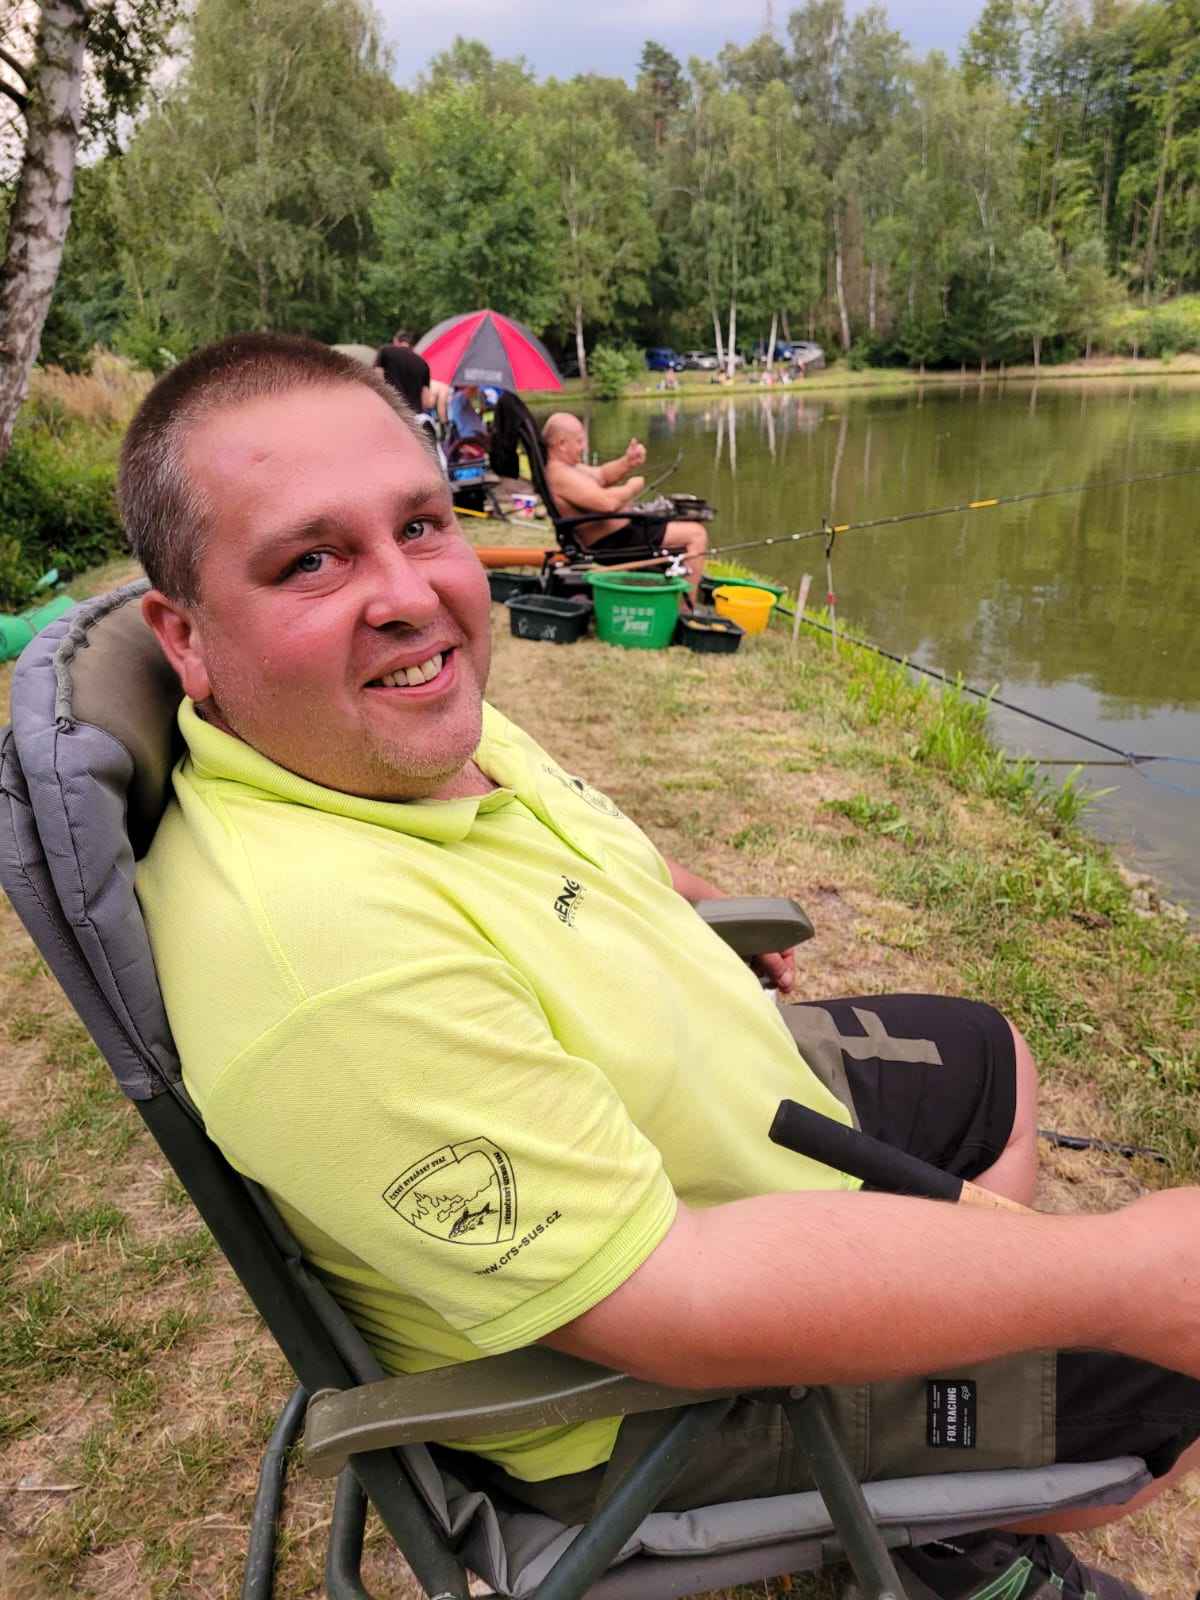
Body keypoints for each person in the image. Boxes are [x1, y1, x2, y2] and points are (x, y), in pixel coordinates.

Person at [121, 335, 1200, 1600]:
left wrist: (674, 899)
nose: (408, 594)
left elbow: (565, 825)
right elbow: (672, 1298)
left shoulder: (383, 726)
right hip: (649, 1388)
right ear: (186, 638)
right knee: (1164, 1372)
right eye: (311, 560)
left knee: (989, 1061)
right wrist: (1115, 1275)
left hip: (722, 1116)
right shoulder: (325, 962)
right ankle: (959, 1539)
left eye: (418, 524)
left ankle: (942, 1499)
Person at [542, 412, 708, 600]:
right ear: (562, 444)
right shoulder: (559, 475)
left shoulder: (568, 467)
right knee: (696, 534)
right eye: (579, 441)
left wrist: (627, 462)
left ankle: (667, 594)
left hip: (624, 533)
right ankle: (685, 610)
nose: (584, 447)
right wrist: (631, 487)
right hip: (613, 542)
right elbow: (607, 503)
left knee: (683, 520)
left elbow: (601, 475)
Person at [374, 330, 432, 416]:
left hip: (394, 411)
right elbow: (426, 402)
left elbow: (377, 379)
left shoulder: (386, 351)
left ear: (396, 340)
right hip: (415, 416)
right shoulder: (422, 363)